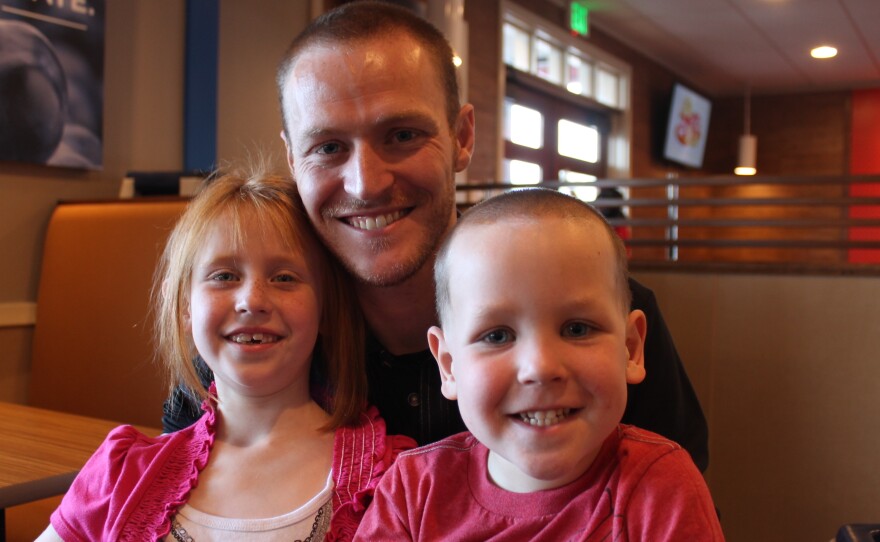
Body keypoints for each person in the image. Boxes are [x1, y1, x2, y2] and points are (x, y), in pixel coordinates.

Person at [163, 0, 708, 471]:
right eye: (328, 147)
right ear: (292, 158)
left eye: (402, 135)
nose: (366, 183)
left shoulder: (600, 322)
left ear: (462, 136)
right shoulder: (260, 325)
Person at [37, 169, 414, 541]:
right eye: (224, 276)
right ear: (185, 305)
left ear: (328, 308)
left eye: (284, 277)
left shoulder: (397, 482)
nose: (252, 301)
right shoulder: (120, 475)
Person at [355, 188, 724, 540]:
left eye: (577, 329)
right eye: (498, 336)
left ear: (630, 348)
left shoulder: (662, 487)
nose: (541, 367)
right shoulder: (412, 493)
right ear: (449, 365)